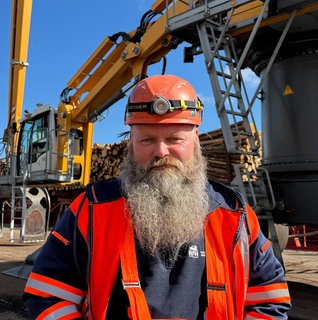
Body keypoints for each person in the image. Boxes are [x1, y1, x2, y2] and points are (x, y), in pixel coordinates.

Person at [23, 74, 291, 319]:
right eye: (147, 140)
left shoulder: (235, 216)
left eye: (174, 138)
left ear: (195, 140)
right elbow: (48, 295)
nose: (161, 151)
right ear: (131, 142)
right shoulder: (91, 210)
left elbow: (270, 299)